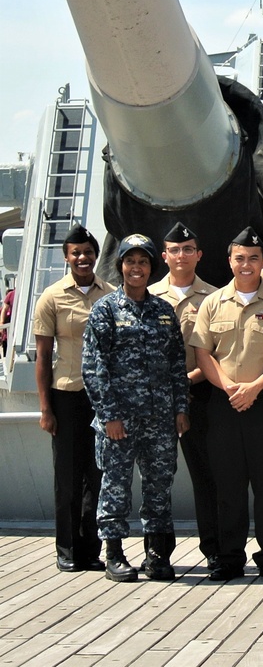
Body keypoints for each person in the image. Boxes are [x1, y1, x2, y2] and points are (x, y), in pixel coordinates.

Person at [190, 226, 263, 582]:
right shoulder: (212, 303)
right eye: (240, 258)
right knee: (228, 484)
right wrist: (227, 387)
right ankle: (228, 556)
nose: (246, 264)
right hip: (223, 404)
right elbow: (202, 353)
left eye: (254, 258)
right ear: (230, 261)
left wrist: (254, 387)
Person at [82, 234, 190, 582]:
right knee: (115, 484)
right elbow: (93, 368)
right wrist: (109, 415)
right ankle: (114, 554)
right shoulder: (105, 310)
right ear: (121, 266)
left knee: (159, 486)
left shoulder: (163, 311)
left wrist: (180, 409)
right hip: (120, 420)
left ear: (150, 267)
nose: (136, 268)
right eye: (130, 261)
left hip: (160, 419)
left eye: (143, 262)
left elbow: (176, 364)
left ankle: (156, 554)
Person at [33, 223, 113, 573]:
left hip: (101, 398)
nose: (83, 258)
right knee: (67, 477)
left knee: (97, 475)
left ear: (95, 256)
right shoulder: (52, 297)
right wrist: (45, 409)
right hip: (66, 395)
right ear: (66, 257)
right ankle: (66, 549)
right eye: (75, 253)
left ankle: (90, 550)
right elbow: (42, 355)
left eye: (88, 252)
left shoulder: (109, 294)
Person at [148, 222, 220, 570]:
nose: (181, 255)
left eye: (188, 249)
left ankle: (214, 549)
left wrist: (186, 380)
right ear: (164, 256)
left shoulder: (215, 297)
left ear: (199, 255)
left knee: (207, 475)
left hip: (200, 396)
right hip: (157, 400)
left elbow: (218, 351)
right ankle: (157, 552)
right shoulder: (147, 299)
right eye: (174, 250)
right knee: (157, 477)